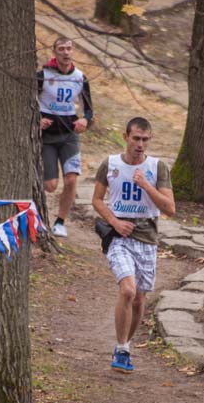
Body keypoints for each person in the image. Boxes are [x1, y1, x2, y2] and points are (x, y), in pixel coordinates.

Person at [92, 117, 176, 373]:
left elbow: (170, 208)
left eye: (145, 139)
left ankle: (125, 345)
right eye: (136, 138)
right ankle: (122, 349)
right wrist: (114, 222)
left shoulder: (157, 167)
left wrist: (146, 185)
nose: (140, 144)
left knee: (139, 299)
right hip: (118, 237)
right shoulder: (110, 164)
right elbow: (97, 200)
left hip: (147, 237)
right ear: (126, 137)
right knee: (128, 291)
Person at [38, 36, 93, 237]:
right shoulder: (42, 75)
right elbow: (27, 103)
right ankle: (37, 214)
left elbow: (89, 110)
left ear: (73, 51)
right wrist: (37, 120)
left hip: (69, 135)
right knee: (50, 186)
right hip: (47, 137)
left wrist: (85, 120)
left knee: (71, 179)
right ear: (54, 52)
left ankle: (60, 222)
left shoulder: (80, 78)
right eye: (61, 49)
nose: (66, 52)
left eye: (69, 48)